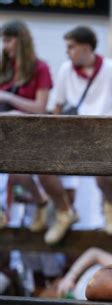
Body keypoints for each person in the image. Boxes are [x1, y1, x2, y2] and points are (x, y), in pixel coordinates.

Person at [38, 26, 112, 245]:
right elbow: (57, 109)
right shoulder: (65, 70)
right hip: (74, 138)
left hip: (108, 139)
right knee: (39, 166)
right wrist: (52, 141)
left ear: (86, 48)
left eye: (71, 47)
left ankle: (109, 207)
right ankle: (64, 210)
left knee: (103, 169)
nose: (67, 52)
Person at [0, 20, 52, 232]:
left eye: (8, 40)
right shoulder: (4, 68)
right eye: (3, 41)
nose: (4, 46)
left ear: (21, 41)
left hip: (30, 134)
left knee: (18, 170)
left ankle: (41, 201)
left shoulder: (40, 68)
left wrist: (10, 101)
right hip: (4, 132)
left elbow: (40, 107)